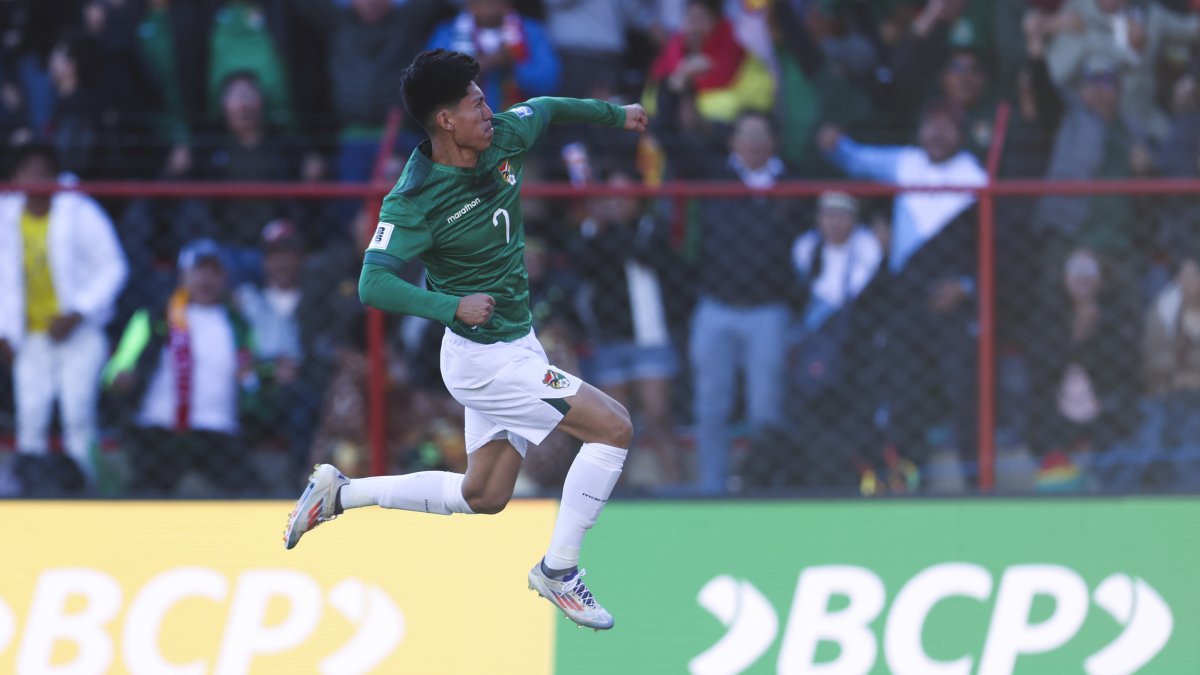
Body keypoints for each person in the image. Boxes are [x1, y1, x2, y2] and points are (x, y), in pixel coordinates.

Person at [282, 49, 648, 631]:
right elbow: (372, 283)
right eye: (476, 103)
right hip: (484, 361)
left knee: (486, 494)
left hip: (516, 344)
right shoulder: (413, 199)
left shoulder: (502, 138)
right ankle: (559, 570)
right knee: (614, 428)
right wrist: (450, 305)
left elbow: (548, 107)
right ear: (445, 120)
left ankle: (340, 494)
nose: (489, 110)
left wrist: (616, 114)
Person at [0, 141, 128, 492]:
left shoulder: (80, 210)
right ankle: (31, 489)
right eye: (27, 172)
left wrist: (79, 312)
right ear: (15, 176)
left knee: (78, 415)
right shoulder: (5, 215)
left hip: (79, 333)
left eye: (43, 172)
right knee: (30, 417)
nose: (36, 179)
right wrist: (3, 331)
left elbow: (114, 266)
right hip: (28, 335)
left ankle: (85, 489)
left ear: (56, 176)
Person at [103, 238, 265, 496]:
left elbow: (253, 373)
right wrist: (121, 377)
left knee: (253, 492)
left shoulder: (239, 324)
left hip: (217, 430)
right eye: (199, 270)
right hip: (160, 427)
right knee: (145, 492)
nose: (206, 279)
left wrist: (255, 378)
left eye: (214, 272)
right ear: (182, 275)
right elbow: (119, 364)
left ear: (225, 278)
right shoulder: (154, 317)